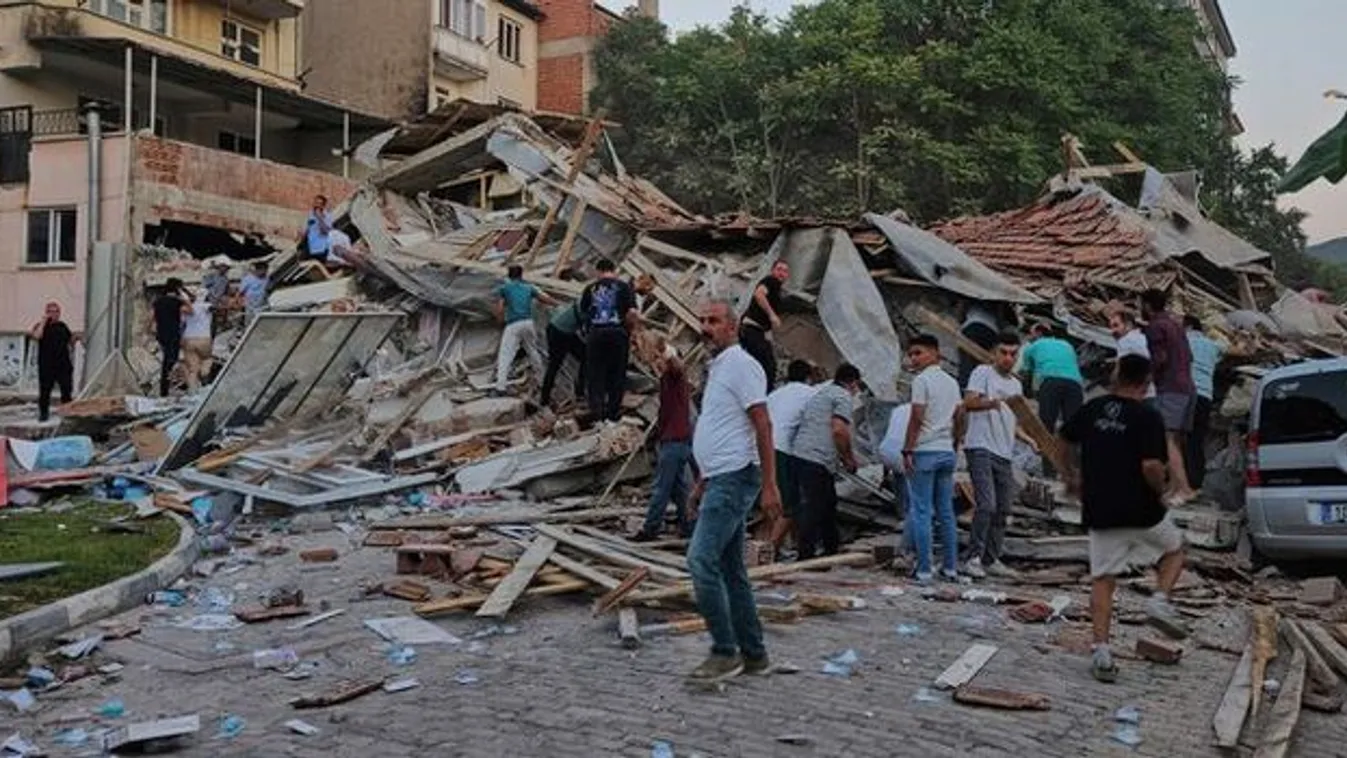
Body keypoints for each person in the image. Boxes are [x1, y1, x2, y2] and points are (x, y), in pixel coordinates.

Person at [1059, 354, 1190, 683]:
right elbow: (1151, 465)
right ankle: (1159, 601)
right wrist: (1160, 489)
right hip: (1142, 510)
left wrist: (1070, 476)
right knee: (1174, 551)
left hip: (1101, 510)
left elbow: (1062, 438)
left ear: (1116, 376)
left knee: (1103, 581)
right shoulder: (1148, 416)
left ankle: (1102, 652)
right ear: (1146, 383)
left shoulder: (1092, 409)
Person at [684, 297, 781, 684]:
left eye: (714, 321)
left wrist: (771, 485)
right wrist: (702, 480)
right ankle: (755, 655)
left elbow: (763, 425)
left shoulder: (742, 366)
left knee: (699, 560)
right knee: (731, 570)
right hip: (720, 477)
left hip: (736, 477)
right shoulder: (719, 368)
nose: (706, 326)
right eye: (702, 319)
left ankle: (725, 652)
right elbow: (726, 429)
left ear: (733, 326)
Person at [962, 331, 1024, 579]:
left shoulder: (1016, 384)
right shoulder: (982, 373)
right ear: (993, 353)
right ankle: (973, 557)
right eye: (1004, 353)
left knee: (1003, 508)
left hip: (1004, 452)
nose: (1008, 358)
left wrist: (1029, 439)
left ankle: (991, 558)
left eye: (1013, 354)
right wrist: (993, 402)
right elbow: (969, 402)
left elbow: (1013, 421)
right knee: (986, 504)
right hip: (980, 447)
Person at [902, 334, 962, 582]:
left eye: (919, 353)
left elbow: (916, 416)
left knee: (922, 511)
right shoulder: (952, 382)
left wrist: (907, 449)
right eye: (911, 354)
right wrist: (956, 442)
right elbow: (960, 415)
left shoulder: (921, 381)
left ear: (935, 353)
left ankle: (925, 569)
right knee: (946, 512)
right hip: (946, 450)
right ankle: (950, 567)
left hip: (925, 450)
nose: (914, 358)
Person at [790, 364, 862, 559]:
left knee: (827, 503)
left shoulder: (822, 394)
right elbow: (839, 430)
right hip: (816, 457)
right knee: (816, 506)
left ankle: (830, 549)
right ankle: (806, 555)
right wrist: (848, 459)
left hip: (802, 453)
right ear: (853, 383)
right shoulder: (842, 396)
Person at [1140, 288, 1197, 503]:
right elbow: (1189, 357)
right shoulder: (1177, 326)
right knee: (1175, 439)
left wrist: (1145, 380)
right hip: (1189, 387)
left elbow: (1159, 358)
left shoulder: (1156, 327)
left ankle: (1183, 488)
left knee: (1166, 439)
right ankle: (1174, 488)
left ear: (1147, 305)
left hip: (1171, 387)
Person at [633, 341, 694, 541]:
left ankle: (650, 529)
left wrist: (665, 350)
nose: (656, 363)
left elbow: (678, 366)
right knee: (679, 490)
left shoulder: (675, 377)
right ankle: (689, 526)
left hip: (675, 441)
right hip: (676, 440)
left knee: (661, 488)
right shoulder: (666, 381)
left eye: (659, 360)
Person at [764, 359, 818, 553]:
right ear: (808, 377)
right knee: (790, 505)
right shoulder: (811, 394)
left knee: (772, 500)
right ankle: (769, 550)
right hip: (782, 450)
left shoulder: (775, 394)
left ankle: (778, 543)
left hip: (761, 448)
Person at [578, 259, 639, 423]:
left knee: (595, 374)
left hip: (596, 334)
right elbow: (632, 313)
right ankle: (612, 415)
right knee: (617, 374)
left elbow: (583, 312)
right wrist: (629, 331)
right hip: (618, 333)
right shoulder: (625, 287)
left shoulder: (590, 288)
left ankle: (597, 414)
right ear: (614, 270)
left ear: (598, 271)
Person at [493, 265, 555, 396]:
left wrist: (499, 320)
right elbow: (544, 298)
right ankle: (542, 381)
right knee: (533, 351)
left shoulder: (505, 289)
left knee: (505, 355)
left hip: (513, 324)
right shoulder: (529, 287)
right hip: (528, 323)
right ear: (521, 275)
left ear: (509, 276)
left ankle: (500, 387)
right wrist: (558, 303)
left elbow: (499, 307)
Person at [1016, 322, 1084, 435]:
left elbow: (1025, 373)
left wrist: (1028, 393)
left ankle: (1046, 451)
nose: (1029, 337)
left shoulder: (1033, 347)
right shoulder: (1067, 345)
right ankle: (1071, 452)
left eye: (1030, 334)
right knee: (1073, 427)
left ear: (1038, 333)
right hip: (1075, 385)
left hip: (1051, 383)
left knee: (1046, 426)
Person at [1185, 315, 1225, 491]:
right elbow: (1228, 352)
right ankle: (1196, 483)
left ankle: (1178, 482)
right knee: (1196, 440)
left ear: (1188, 326)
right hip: (1205, 397)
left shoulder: (1181, 340)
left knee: (1175, 439)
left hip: (1185, 395)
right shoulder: (1212, 345)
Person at [739, 260, 789, 393]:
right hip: (752, 330)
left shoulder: (777, 290)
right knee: (768, 366)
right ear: (772, 271)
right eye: (779, 269)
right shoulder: (770, 281)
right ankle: (764, 398)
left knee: (758, 365)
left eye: (785, 271)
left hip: (752, 331)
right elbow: (759, 294)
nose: (781, 273)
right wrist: (772, 315)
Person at [878, 400, 915, 559]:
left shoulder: (899, 409)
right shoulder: (922, 411)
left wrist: (885, 473)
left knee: (899, 477)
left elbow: (891, 433)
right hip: (902, 452)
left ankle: (901, 514)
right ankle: (908, 519)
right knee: (912, 481)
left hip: (885, 450)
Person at [29, 302, 76, 422]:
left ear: (59, 313)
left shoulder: (63, 326)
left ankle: (67, 413)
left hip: (63, 364)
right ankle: (44, 414)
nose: (53, 314)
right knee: (45, 391)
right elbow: (36, 336)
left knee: (66, 390)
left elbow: (70, 341)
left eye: (56, 311)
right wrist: (44, 322)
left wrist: (76, 339)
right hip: (47, 365)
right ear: (46, 313)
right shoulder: (41, 326)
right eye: (50, 311)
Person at [540, 299, 586, 409]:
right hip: (558, 332)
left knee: (586, 357)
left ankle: (579, 392)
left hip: (563, 329)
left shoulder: (587, 299)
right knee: (555, 365)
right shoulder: (589, 304)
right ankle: (544, 400)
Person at [151, 278, 190, 397]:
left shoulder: (158, 301)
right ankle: (166, 388)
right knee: (171, 360)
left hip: (162, 333)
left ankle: (165, 387)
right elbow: (190, 310)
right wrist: (185, 299)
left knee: (167, 359)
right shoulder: (176, 301)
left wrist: (153, 329)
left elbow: (151, 318)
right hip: (173, 333)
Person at [1108, 309, 1154, 397]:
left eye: (1116, 325)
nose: (1112, 331)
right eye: (1111, 327)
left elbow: (1119, 371)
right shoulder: (1143, 338)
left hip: (1138, 393)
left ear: (1128, 325)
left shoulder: (1126, 340)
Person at [958, 303, 1001, 388]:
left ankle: (964, 384)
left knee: (967, 358)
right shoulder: (998, 307)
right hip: (992, 333)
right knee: (981, 362)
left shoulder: (972, 302)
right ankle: (978, 386)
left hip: (972, 327)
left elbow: (961, 317)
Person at [180, 288, 214, 391]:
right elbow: (214, 308)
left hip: (188, 338)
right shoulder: (206, 305)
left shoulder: (186, 308)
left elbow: (182, 323)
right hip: (204, 338)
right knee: (207, 359)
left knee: (192, 369)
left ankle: (192, 392)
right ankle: (205, 379)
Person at [301, 194, 333, 262]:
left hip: (322, 247)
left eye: (319, 204)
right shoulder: (310, 215)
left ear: (323, 206)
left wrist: (319, 218)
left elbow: (326, 232)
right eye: (315, 203)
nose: (317, 206)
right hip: (310, 247)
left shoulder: (327, 216)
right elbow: (306, 230)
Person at [202, 261, 231, 336]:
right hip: (210, 301)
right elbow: (205, 287)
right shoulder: (211, 276)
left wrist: (224, 298)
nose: (225, 270)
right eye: (224, 268)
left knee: (216, 319)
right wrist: (212, 295)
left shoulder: (226, 279)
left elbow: (226, 291)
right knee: (209, 319)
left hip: (219, 302)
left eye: (226, 269)